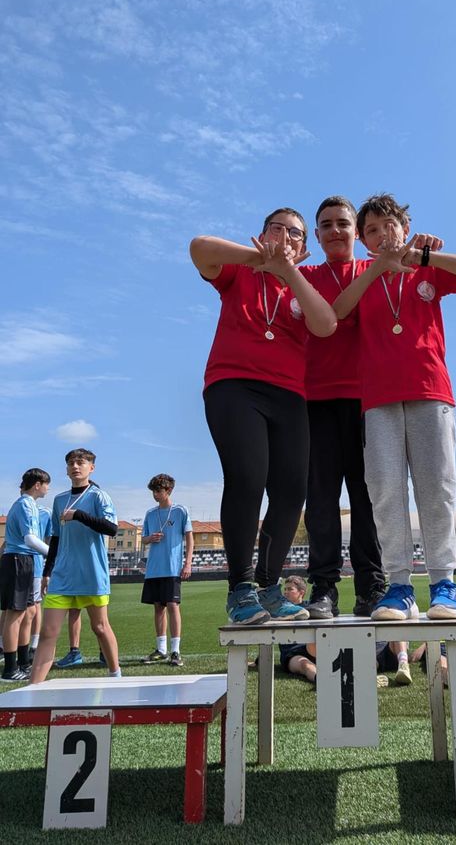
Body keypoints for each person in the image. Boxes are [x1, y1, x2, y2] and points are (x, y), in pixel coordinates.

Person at [333, 193, 456, 621]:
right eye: (371, 230)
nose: (382, 235)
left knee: (436, 488)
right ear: (363, 240)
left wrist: (424, 257)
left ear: (404, 227)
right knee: (385, 490)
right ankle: (399, 585)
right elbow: (338, 311)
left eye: (389, 225)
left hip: (430, 390)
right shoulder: (360, 273)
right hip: (378, 399)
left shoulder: (427, 266)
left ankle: (444, 583)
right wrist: (377, 267)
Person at [190, 209, 337, 625]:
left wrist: (288, 271)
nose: (287, 236)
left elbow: (325, 325)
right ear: (262, 234)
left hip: (289, 395)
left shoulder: (300, 285)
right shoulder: (240, 271)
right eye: (278, 229)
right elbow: (199, 248)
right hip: (234, 386)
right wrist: (260, 259)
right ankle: (240, 589)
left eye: (296, 233)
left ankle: (270, 588)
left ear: (305, 246)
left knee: (291, 491)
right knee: (247, 479)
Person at [300, 196, 385, 619]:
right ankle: (324, 587)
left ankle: (372, 585)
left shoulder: (378, 270)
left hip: (369, 401)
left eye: (343, 223)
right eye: (326, 224)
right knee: (320, 499)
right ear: (316, 236)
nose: (335, 230)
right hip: (314, 400)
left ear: (357, 232)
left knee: (368, 498)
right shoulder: (303, 276)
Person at [30, 449, 122, 683]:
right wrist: (47, 572)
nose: (75, 466)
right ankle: (33, 688)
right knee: (48, 633)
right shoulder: (59, 500)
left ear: (92, 467)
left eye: (81, 462)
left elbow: (112, 529)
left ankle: (116, 676)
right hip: (62, 576)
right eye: (71, 463)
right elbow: (56, 538)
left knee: (100, 627)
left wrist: (78, 515)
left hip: (92, 574)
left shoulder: (99, 496)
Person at [279, 577, 412, 685]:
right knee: (304, 665)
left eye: (290, 589)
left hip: (314, 646)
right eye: (285, 589)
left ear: (301, 592)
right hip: (292, 650)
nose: (285, 592)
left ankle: (402, 665)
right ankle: (324, 680)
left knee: (395, 634)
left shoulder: (312, 607)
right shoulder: (280, 609)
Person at [1, 469, 51, 681]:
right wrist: (55, 555)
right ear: (37, 484)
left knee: (28, 613)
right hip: (18, 560)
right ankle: (10, 669)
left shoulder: (28, 504)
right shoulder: (25, 505)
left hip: (25, 561)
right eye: (47, 484)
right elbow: (29, 539)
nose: (48, 489)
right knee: (15, 614)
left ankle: (23, 663)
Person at [139, 474, 194, 666]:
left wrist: (188, 563)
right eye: (153, 491)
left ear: (169, 490)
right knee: (158, 607)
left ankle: (175, 651)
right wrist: (150, 538)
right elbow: (143, 539)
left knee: (172, 605)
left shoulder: (180, 511)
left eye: (158, 491)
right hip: (154, 569)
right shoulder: (150, 514)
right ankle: (161, 650)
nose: (155, 494)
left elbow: (190, 539)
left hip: (172, 568)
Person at [29, 505, 53, 662]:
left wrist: (49, 567)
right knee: (10, 607)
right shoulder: (20, 507)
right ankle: (4, 645)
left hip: (36, 565)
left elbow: (50, 541)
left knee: (35, 604)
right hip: (15, 563)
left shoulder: (46, 513)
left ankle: (34, 645)